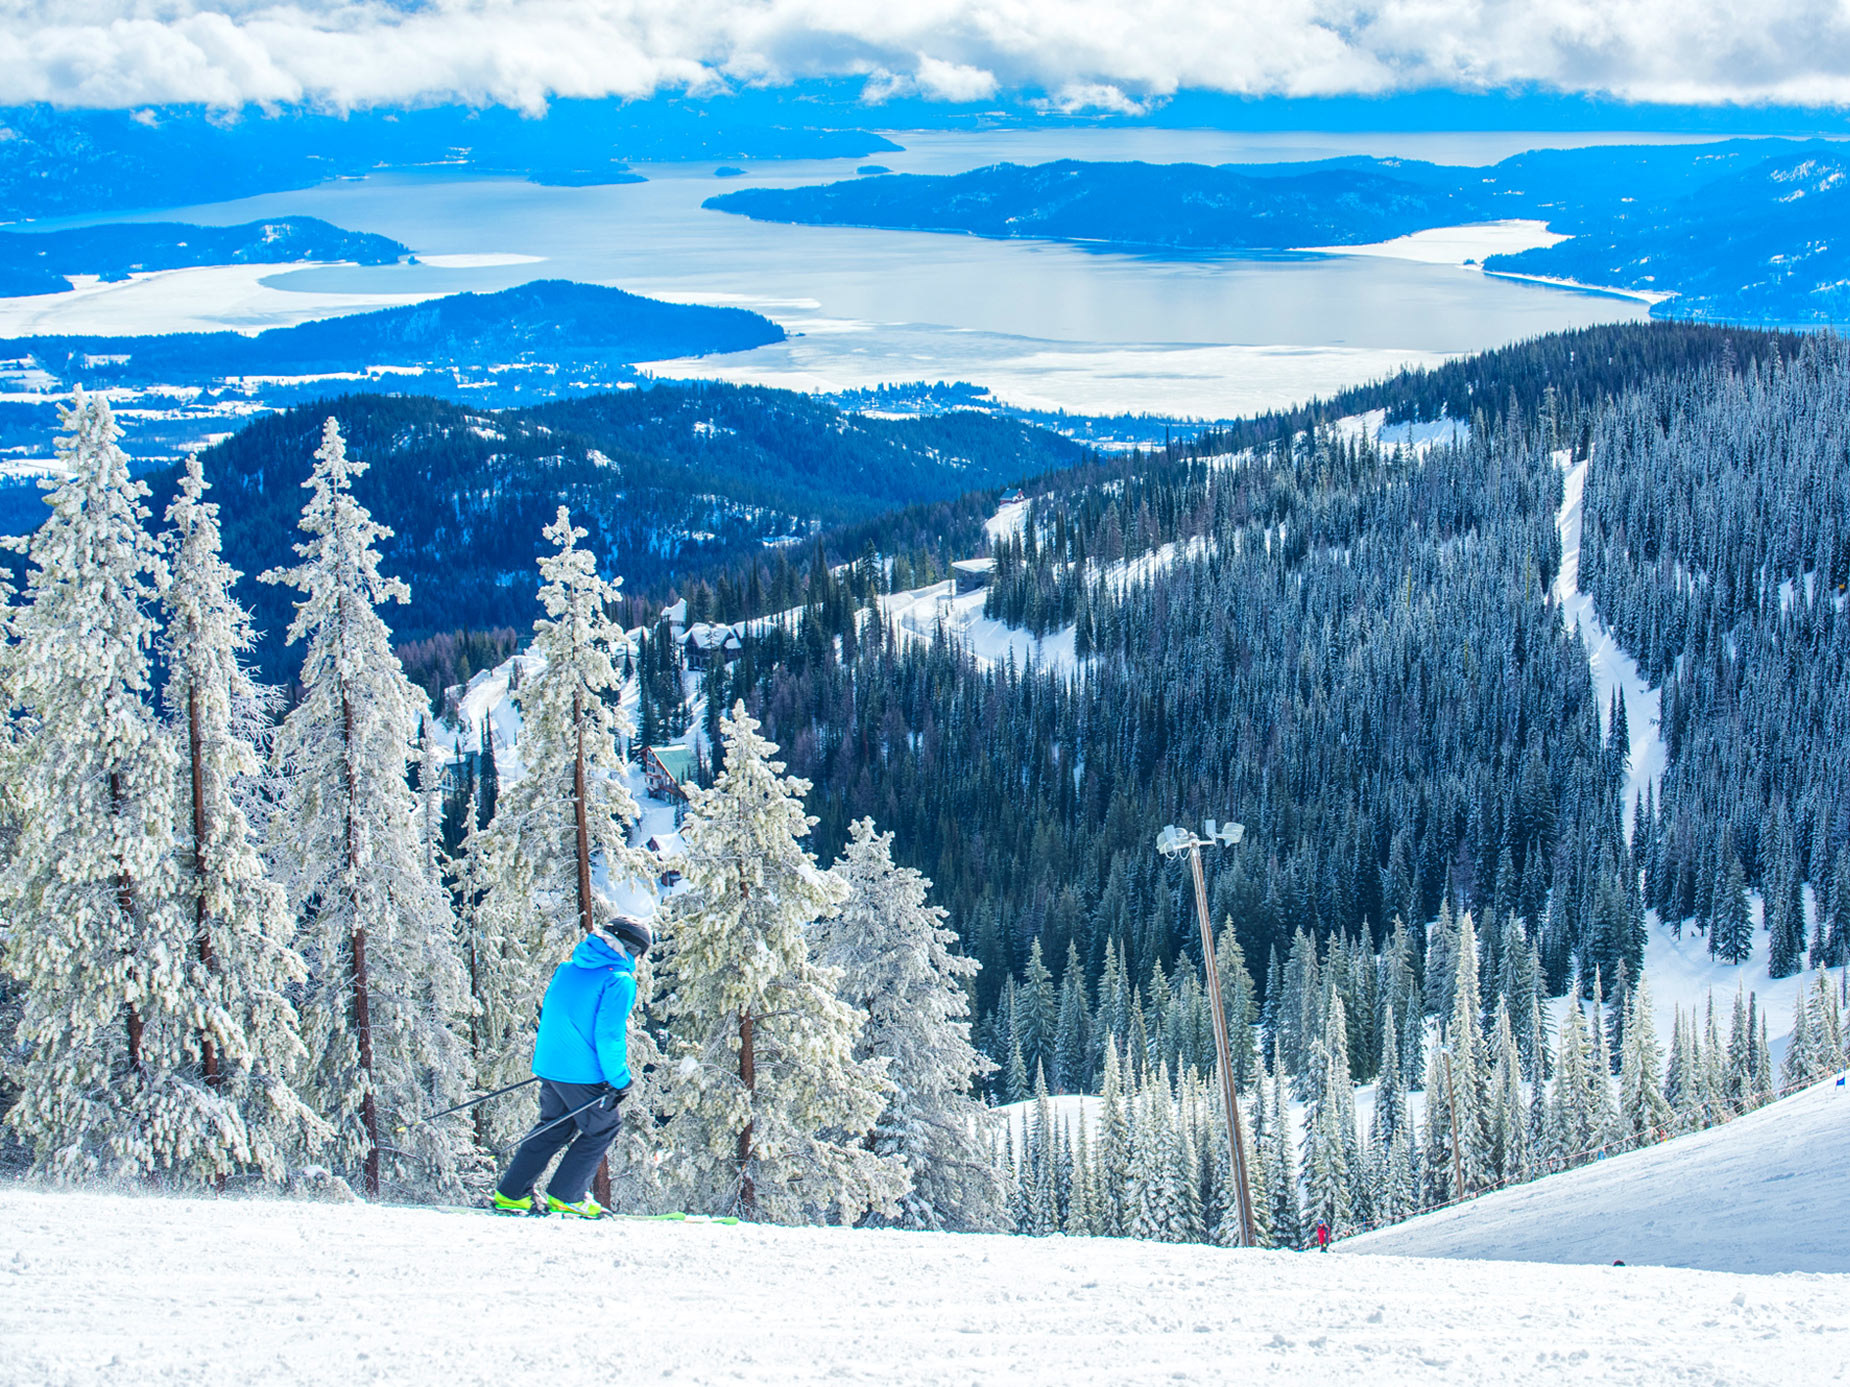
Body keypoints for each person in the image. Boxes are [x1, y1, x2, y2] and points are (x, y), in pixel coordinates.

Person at [492, 915, 651, 1219]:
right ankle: (568, 1196)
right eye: (639, 954)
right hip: (583, 1073)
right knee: (603, 1127)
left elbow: (555, 1016)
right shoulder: (618, 980)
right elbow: (608, 1035)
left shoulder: (567, 969)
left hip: (552, 1066)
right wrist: (619, 1079)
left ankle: (512, 1194)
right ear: (630, 949)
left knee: (555, 1126)